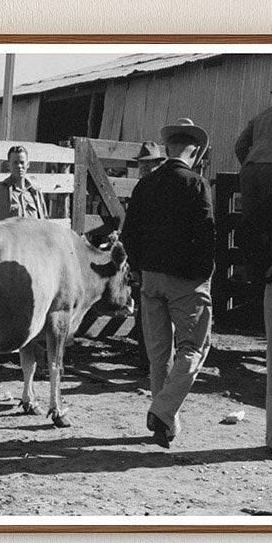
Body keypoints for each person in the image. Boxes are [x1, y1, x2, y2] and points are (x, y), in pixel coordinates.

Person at [120, 118, 216, 449]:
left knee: (159, 355)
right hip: (185, 282)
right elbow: (207, 237)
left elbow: (128, 235)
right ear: (196, 152)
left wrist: (139, 269)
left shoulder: (145, 185)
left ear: (169, 149)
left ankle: (165, 426)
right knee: (194, 348)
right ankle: (161, 410)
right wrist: (203, 275)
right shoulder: (197, 185)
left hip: (150, 280)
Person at [235, 85, 272, 453]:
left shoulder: (261, 116)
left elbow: (239, 146)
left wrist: (250, 165)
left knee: (254, 226)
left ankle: (256, 268)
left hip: (252, 171)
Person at [127, 142, 168, 372]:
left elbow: (132, 229)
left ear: (156, 164)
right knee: (149, 313)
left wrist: (134, 261)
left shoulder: (144, 188)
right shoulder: (153, 187)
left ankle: (150, 361)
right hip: (157, 259)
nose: (143, 168)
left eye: (147, 163)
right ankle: (151, 360)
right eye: (141, 164)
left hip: (150, 259)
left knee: (148, 312)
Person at [0, 145, 47, 220]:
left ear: (28, 164)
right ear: (8, 165)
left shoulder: (36, 193)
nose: (19, 166)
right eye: (15, 163)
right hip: (5, 231)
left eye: (22, 162)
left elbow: (44, 220)